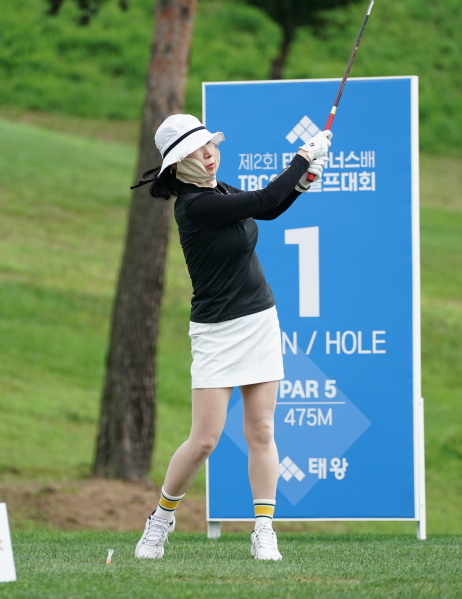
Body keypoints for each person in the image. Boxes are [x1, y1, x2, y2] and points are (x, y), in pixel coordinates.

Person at [130, 113, 330, 561]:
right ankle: (160, 520)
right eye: (196, 151)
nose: (209, 155)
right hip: (216, 331)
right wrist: (302, 157)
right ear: (177, 164)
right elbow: (264, 198)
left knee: (261, 429)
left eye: (210, 147)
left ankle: (264, 530)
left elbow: (270, 208)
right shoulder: (194, 207)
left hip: (259, 319)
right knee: (204, 439)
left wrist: (301, 182)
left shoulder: (219, 190)